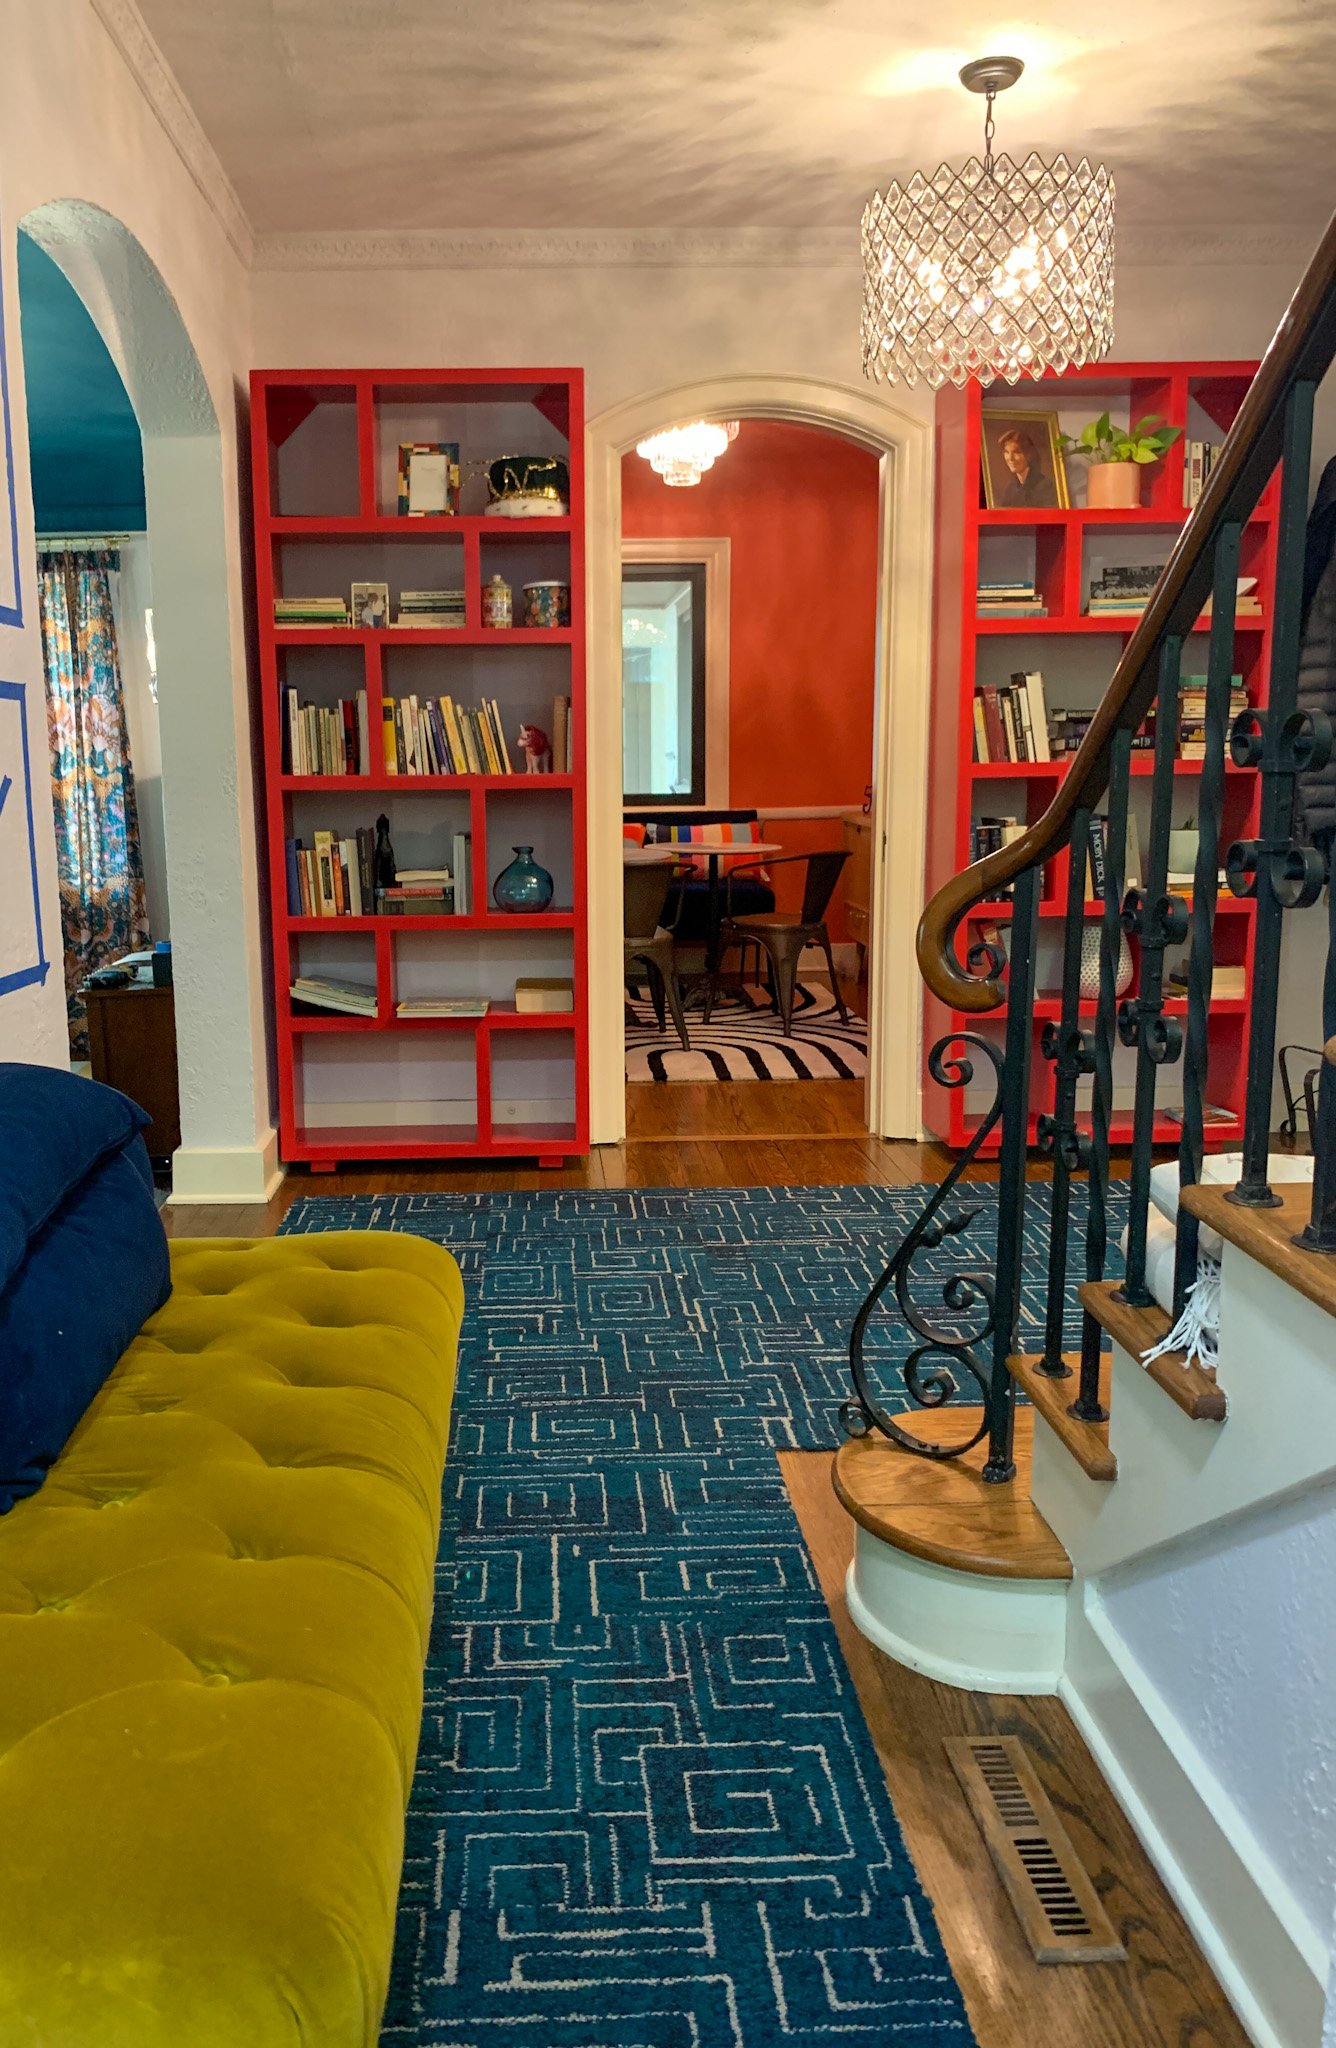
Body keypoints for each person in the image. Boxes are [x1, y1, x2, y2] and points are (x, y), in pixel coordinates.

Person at [994, 426, 1058, 508]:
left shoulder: (1046, 486)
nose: (1010, 458)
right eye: (1006, 452)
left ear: (1029, 455)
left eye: (1016, 452)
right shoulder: (1010, 489)